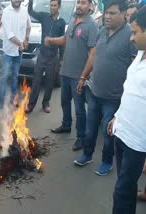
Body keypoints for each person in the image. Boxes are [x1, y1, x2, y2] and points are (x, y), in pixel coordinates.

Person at [73, 0, 136, 176]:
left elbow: (134, 67)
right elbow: (94, 55)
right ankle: (87, 154)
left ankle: (107, 162)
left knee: (108, 134)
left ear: (123, 14)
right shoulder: (101, 31)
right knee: (90, 129)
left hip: (114, 97)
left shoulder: (130, 35)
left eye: (112, 13)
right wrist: (83, 77)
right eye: (106, 13)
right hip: (95, 92)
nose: (107, 16)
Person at [107, 6, 146, 213]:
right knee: (128, 187)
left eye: (135, 32)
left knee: (121, 191)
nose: (131, 38)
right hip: (122, 133)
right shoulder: (141, 54)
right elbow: (130, 91)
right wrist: (117, 117)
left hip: (138, 144)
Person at [45, 0, 98, 151]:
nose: (79, 5)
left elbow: (93, 53)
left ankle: (81, 138)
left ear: (90, 6)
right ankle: (66, 125)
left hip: (78, 76)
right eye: (78, 2)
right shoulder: (73, 19)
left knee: (80, 109)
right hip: (65, 72)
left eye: (83, 3)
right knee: (64, 102)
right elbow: (66, 39)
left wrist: (83, 77)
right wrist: (52, 40)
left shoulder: (91, 25)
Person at [26, 0, 66, 114]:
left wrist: (61, 59)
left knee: (49, 83)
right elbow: (30, 11)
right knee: (36, 82)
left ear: (59, 7)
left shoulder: (62, 22)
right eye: (51, 5)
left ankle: (45, 103)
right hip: (42, 56)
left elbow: (62, 41)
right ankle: (31, 105)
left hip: (53, 58)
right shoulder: (44, 17)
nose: (52, 7)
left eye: (54, 5)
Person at [0, 0, 31, 111]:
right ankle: (1, 102)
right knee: (4, 77)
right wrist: (21, 43)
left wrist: (27, 39)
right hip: (8, 51)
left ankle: (13, 100)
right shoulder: (6, 12)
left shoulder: (25, 11)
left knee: (15, 76)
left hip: (19, 52)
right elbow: (9, 34)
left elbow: (29, 26)